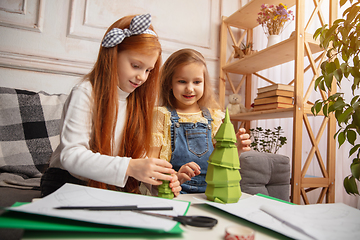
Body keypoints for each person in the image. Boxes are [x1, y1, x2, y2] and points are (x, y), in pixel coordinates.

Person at [40, 14, 181, 197]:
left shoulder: (137, 102)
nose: (142, 77)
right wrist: (130, 167)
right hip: (67, 180)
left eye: (148, 70)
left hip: (107, 184)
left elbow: (137, 160)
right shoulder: (85, 93)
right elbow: (71, 155)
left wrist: (156, 179)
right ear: (113, 55)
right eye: (136, 65)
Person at [149, 49, 251, 194]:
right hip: (177, 193)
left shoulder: (214, 118)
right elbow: (154, 168)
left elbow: (222, 162)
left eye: (197, 82)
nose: (189, 88)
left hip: (211, 193)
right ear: (169, 83)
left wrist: (237, 148)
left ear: (204, 83)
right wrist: (174, 178)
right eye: (182, 81)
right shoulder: (162, 116)